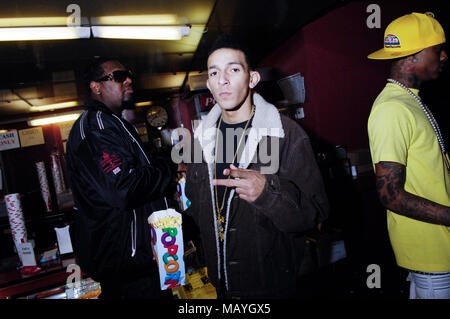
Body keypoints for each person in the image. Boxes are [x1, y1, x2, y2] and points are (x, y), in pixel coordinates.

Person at [183, 35, 329, 299]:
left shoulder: (285, 135)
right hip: (221, 287)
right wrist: (171, 228)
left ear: (252, 79)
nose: (223, 79)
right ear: (208, 84)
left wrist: (268, 194)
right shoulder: (199, 141)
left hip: (271, 288)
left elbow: (316, 215)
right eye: (214, 72)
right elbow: (197, 208)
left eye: (234, 69)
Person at [66, 57, 174, 299]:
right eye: (118, 76)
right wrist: (168, 169)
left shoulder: (114, 124)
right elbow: (124, 188)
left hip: (144, 266)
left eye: (129, 76)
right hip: (128, 274)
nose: (128, 80)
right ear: (96, 87)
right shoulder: (96, 128)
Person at [367, 12, 450, 299]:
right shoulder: (392, 109)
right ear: (413, 56)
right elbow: (390, 195)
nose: (444, 57)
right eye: (438, 50)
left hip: (438, 249)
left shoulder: (409, 100)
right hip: (431, 252)